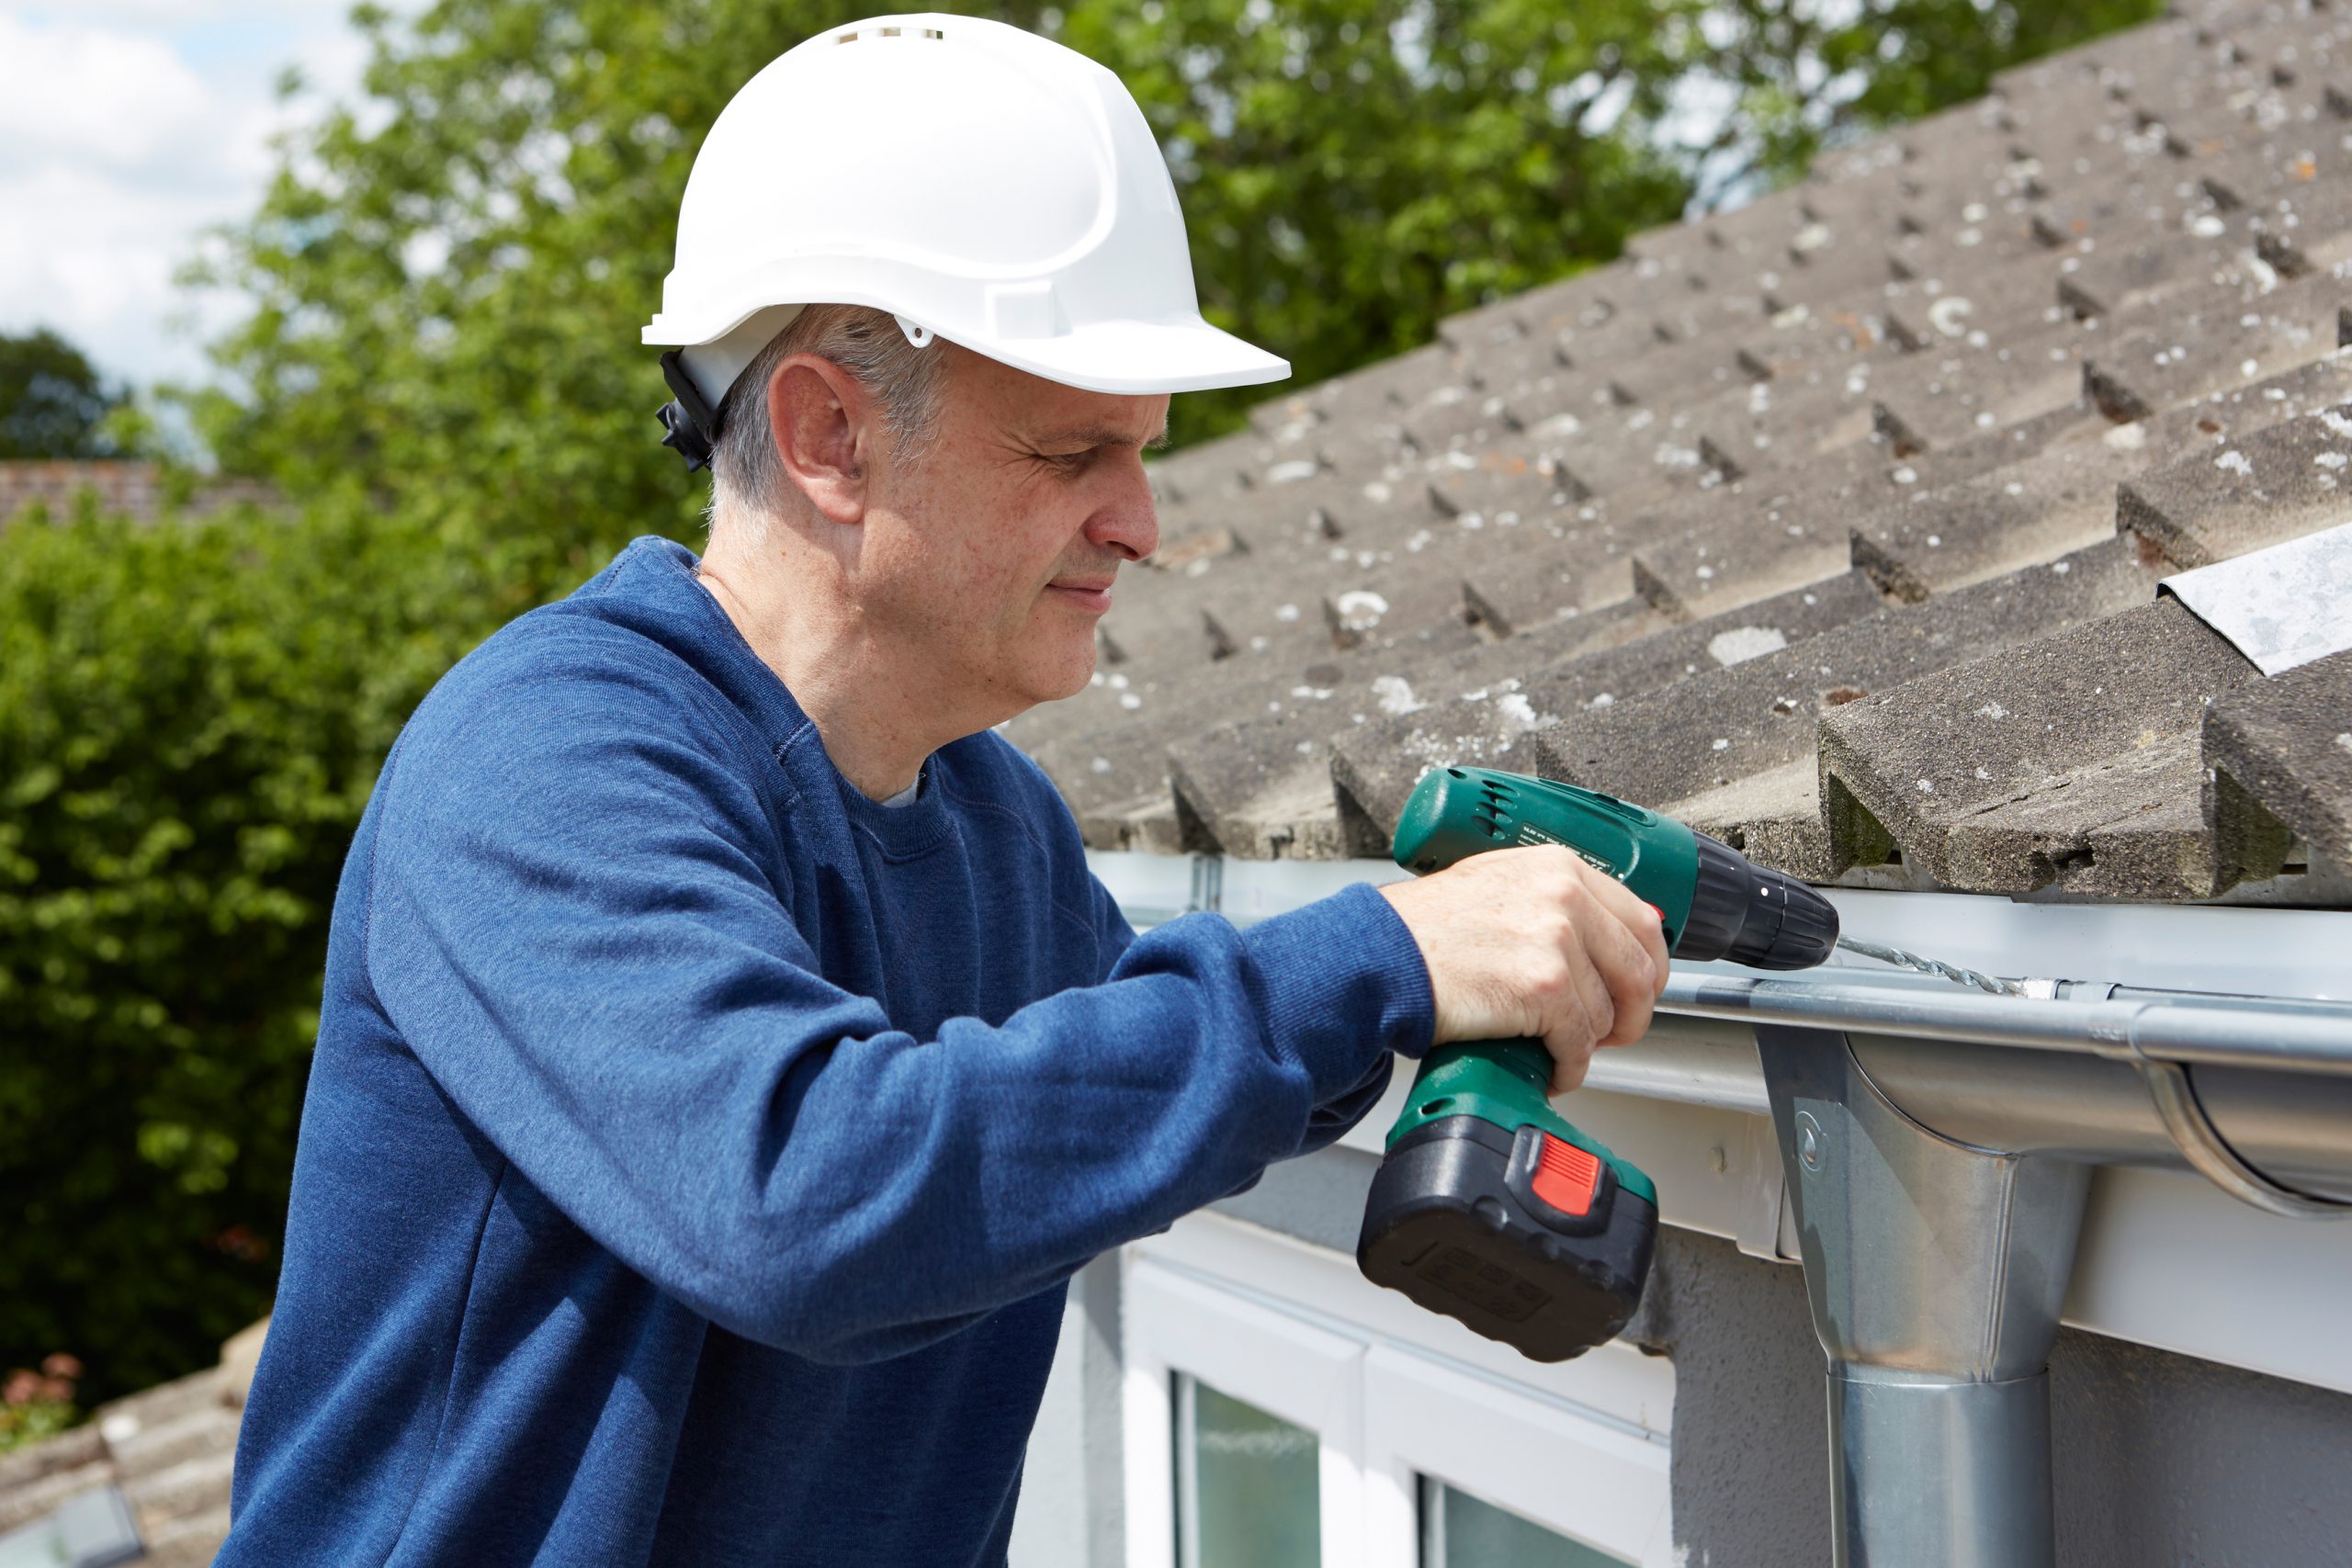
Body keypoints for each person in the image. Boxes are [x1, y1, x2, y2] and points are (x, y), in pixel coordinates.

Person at [217, 15, 1668, 1565]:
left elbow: (1131, 1083)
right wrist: (1382, 957)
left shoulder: (992, 832)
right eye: (1073, 452)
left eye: (1145, 452)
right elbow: (799, 1200)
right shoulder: (548, 756)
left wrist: (1451, 986)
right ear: (829, 432)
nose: (1142, 523)